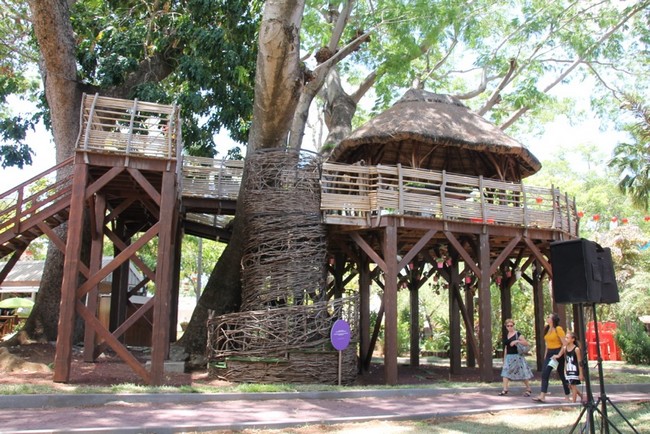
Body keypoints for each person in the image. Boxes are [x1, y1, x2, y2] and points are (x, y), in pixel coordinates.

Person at [533, 312, 571, 402]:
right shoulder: (547, 329)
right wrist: (546, 355)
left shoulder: (558, 329)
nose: (547, 318)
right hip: (550, 353)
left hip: (557, 353)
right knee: (545, 373)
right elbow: (547, 344)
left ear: (553, 319)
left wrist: (559, 355)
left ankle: (567, 395)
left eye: (549, 317)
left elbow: (564, 343)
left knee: (561, 374)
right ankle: (542, 396)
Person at [498, 319, 533, 396]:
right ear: (506, 326)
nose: (510, 327)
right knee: (505, 372)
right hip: (509, 357)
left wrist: (517, 341)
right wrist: (504, 358)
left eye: (511, 325)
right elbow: (506, 348)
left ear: (513, 326)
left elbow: (526, 343)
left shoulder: (518, 334)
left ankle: (528, 388)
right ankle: (505, 389)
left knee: (522, 373)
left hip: (517, 356)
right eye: (508, 326)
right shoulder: (506, 335)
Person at [559, 331, 584, 403]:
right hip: (568, 369)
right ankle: (581, 396)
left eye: (567, 338)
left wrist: (581, 373)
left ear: (573, 339)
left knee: (573, 386)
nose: (566, 339)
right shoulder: (565, 348)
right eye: (565, 338)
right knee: (570, 386)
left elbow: (579, 361)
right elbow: (565, 360)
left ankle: (573, 402)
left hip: (575, 370)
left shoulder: (576, 349)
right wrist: (565, 370)